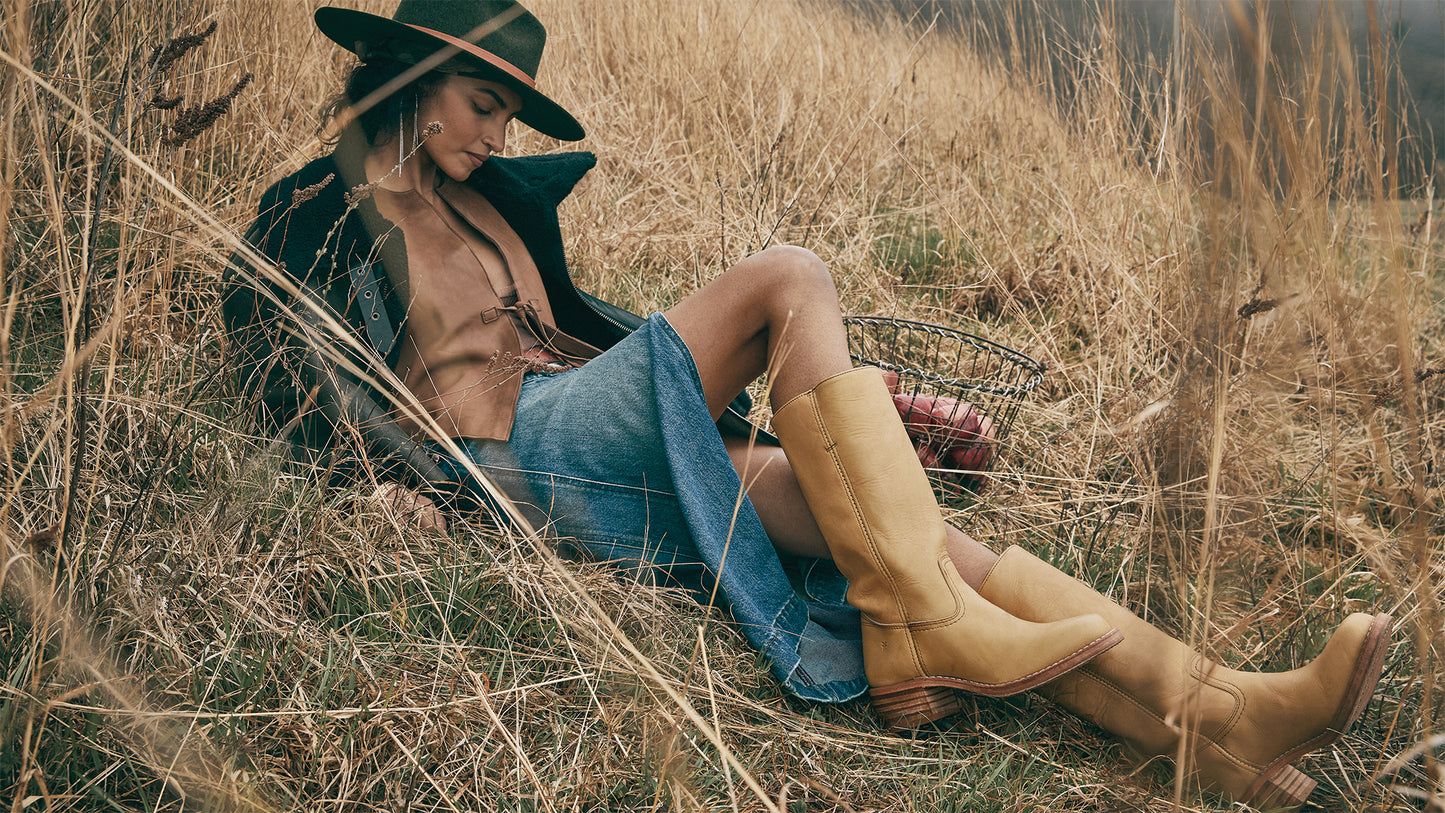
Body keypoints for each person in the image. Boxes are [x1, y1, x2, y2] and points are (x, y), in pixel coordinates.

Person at [222, 1, 1392, 809]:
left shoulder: (494, 206)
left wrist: (829, 418)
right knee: (790, 276)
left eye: (506, 116)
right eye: (481, 105)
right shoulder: (314, 213)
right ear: (414, 80)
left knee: (910, 539)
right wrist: (376, 482)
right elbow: (282, 366)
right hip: (506, 451)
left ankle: (1220, 722)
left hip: (591, 424)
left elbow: (600, 336)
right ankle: (916, 631)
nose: (497, 134)